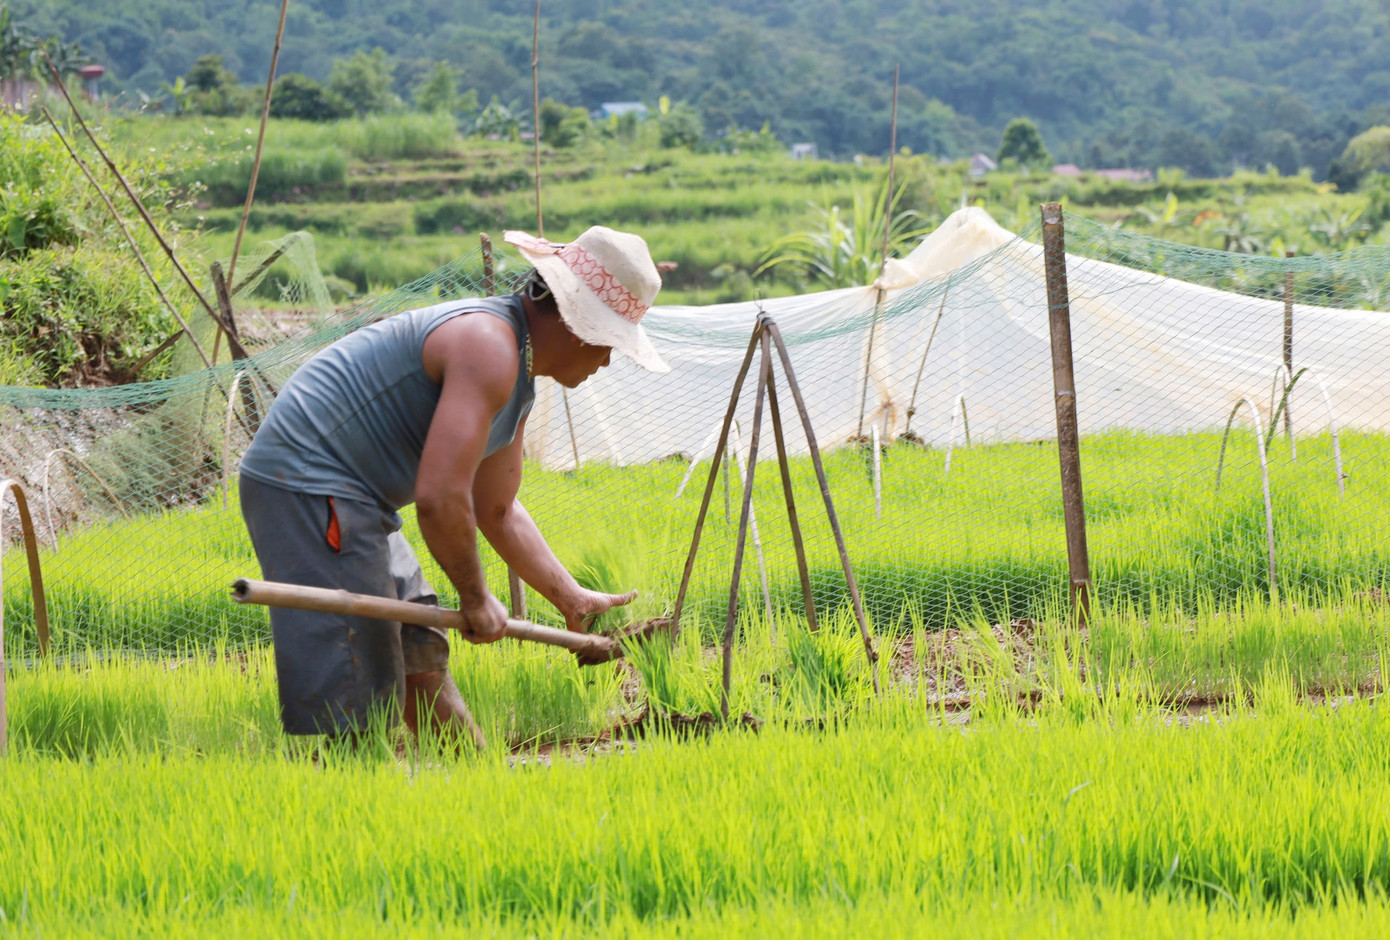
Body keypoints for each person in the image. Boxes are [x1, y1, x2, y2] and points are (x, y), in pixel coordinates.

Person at [238, 225, 670, 747]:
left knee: (420, 654)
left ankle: (481, 783)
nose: (607, 360)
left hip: (357, 498)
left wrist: (570, 597)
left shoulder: (517, 374)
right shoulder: (489, 348)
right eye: (611, 344)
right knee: (357, 680)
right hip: (308, 481)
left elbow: (497, 509)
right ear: (580, 327)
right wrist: (477, 598)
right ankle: (349, 785)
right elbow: (441, 499)